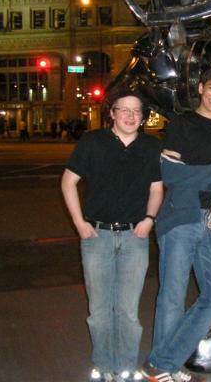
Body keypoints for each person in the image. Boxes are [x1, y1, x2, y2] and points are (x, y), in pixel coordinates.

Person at [142, 66, 211, 382]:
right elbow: (170, 174)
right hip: (180, 218)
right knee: (172, 294)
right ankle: (164, 369)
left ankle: (163, 362)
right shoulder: (181, 124)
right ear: (200, 88)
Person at [61, 89, 164, 382]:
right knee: (100, 310)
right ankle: (104, 365)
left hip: (135, 236)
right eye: (124, 110)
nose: (131, 116)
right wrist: (79, 222)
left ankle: (127, 366)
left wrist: (149, 219)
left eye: (136, 111)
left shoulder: (150, 146)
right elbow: (68, 182)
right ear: (112, 114)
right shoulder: (93, 142)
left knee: (129, 310)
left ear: (143, 117)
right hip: (97, 236)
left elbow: (156, 188)